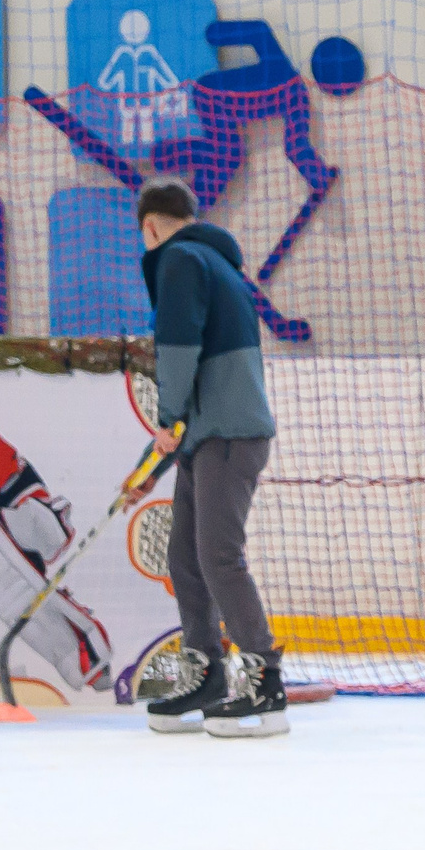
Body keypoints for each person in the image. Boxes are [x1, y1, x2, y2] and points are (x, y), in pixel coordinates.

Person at [132, 182, 289, 739]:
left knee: (218, 557)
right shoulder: (218, 262)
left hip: (225, 434)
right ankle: (205, 675)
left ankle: (264, 686)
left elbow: (178, 345)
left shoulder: (178, 259)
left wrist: (170, 414)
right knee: (186, 557)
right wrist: (183, 424)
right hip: (210, 434)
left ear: (150, 226)